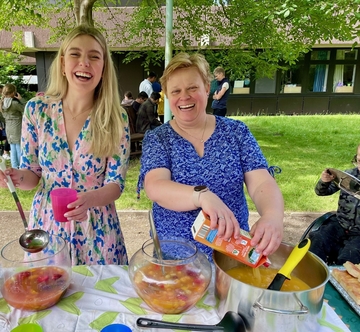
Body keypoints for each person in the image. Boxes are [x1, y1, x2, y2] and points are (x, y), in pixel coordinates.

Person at [0, 25, 130, 266]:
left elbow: (116, 184)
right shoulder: (37, 110)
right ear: (62, 63)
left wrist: (87, 200)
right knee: (45, 295)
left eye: (94, 56)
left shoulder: (116, 117)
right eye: (75, 54)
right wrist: (15, 176)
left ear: (103, 67)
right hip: (48, 227)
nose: (85, 62)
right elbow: (33, 175)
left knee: (101, 299)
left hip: (98, 231)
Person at [137, 52, 284, 261]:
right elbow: (155, 186)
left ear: (207, 88)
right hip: (176, 260)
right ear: (168, 96)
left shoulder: (236, 132)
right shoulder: (158, 138)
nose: (184, 97)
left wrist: (272, 216)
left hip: (231, 256)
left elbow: (261, 181)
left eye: (192, 88)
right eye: (176, 91)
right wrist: (202, 196)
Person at [309, 146, 360, 265]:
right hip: (340, 223)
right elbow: (321, 192)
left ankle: (338, 281)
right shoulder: (348, 176)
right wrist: (324, 182)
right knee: (317, 239)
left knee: (349, 257)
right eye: (359, 160)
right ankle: (311, 275)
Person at [0, 84, 26, 169]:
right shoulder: (14, 103)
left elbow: (2, 117)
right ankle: (21, 166)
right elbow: (26, 108)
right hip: (17, 126)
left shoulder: (2, 103)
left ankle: (14, 166)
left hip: (8, 126)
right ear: (13, 92)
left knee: (12, 147)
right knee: (19, 147)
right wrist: (21, 99)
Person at [0, 84, 11, 160]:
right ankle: (5, 152)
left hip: (6, 121)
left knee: (9, 136)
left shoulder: (4, 99)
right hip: (3, 122)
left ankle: (6, 152)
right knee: (8, 137)